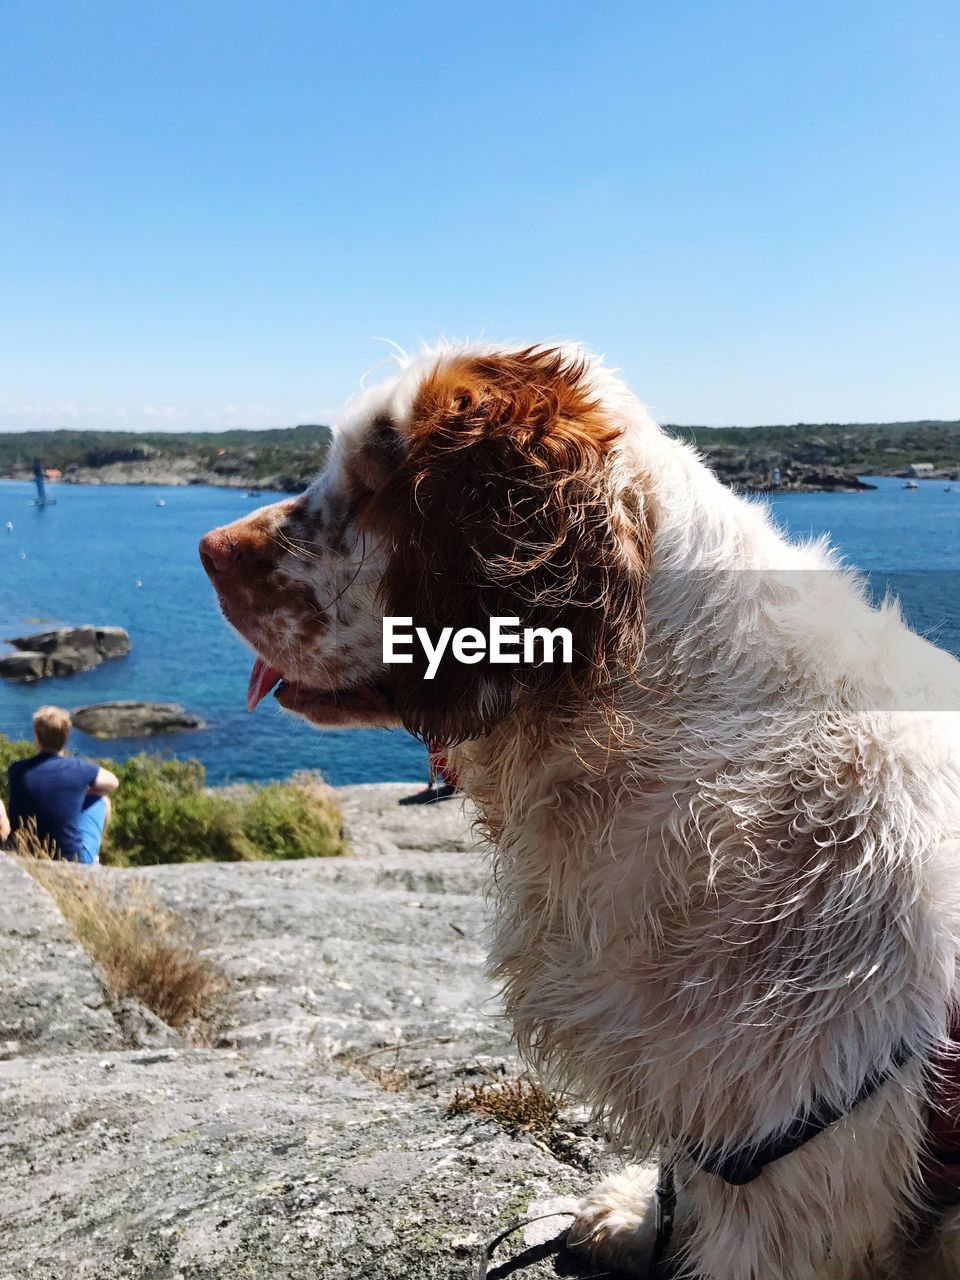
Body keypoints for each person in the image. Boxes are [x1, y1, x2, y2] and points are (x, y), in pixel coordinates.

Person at [6, 706, 119, 863]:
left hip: (24, 852)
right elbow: (113, 782)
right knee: (102, 801)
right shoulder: (79, 769)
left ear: (37, 738)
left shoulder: (16, 770)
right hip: (71, 860)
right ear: (66, 738)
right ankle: (93, 859)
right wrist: (80, 790)